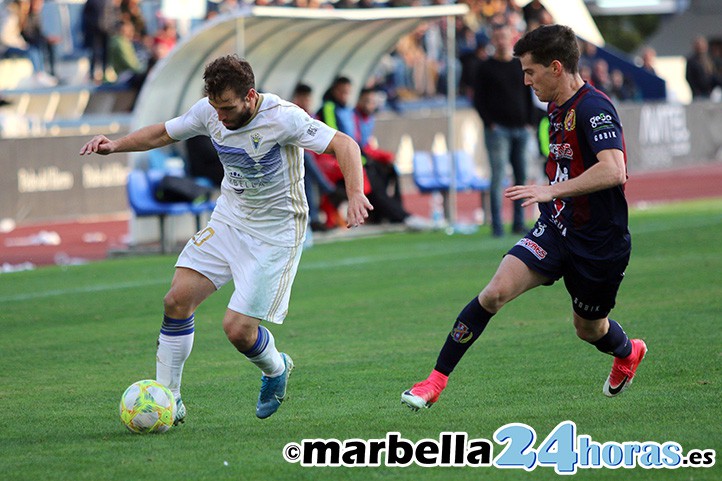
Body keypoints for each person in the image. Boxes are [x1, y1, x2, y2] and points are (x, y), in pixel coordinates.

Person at [79, 55, 373, 421]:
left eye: (228, 107)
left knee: (237, 330)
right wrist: (116, 145)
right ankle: (169, 400)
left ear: (250, 96)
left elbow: (345, 144)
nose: (220, 116)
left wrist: (355, 192)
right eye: (216, 107)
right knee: (176, 300)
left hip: (276, 233)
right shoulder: (209, 111)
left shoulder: (284, 118)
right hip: (231, 219)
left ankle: (276, 368)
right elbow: (164, 132)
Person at [401, 24, 647, 411]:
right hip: (554, 227)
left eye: (530, 72)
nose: (527, 81)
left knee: (588, 328)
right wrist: (552, 196)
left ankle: (628, 351)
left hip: (600, 242)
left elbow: (614, 170)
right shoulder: (554, 107)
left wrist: (550, 190)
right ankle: (433, 381)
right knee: (494, 293)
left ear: (555, 67)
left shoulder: (594, 107)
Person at [472, 23, 534, 237]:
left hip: (521, 129)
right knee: (498, 177)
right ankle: (497, 225)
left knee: (521, 177)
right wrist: (490, 123)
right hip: (498, 131)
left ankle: (518, 222)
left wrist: (529, 121)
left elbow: (529, 93)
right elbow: (478, 100)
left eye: (504, 37)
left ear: (512, 38)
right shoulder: (485, 67)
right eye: (497, 37)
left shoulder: (519, 65)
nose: (501, 41)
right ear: (492, 40)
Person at [290, 82, 335, 233]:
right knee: (305, 162)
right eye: (303, 98)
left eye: (308, 99)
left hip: (315, 160)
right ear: (297, 98)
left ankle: (314, 218)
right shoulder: (290, 114)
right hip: (298, 160)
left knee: (307, 168)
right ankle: (328, 190)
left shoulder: (312, 116)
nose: (306, 102)